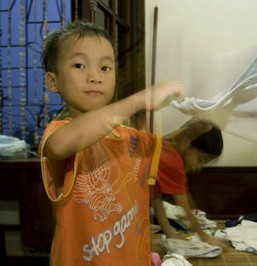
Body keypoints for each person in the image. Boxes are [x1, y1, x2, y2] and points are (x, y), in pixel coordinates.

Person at [39, 21, 185, 266]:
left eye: (105, 67)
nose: (95, 77)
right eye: (79, 65)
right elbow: (60, 145)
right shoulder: (60, 133)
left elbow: (177, 145)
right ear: (53, 81)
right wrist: (139, 100)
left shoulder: (130, 137)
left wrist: (206, 116)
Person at [152, 119, 228, 248]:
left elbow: (155, 196)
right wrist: (205, 237)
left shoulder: (167, 145)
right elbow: (186, 209)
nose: (198, 166)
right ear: (189, 143)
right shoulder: (172, 161)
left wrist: (170, 233)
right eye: (200, 159)